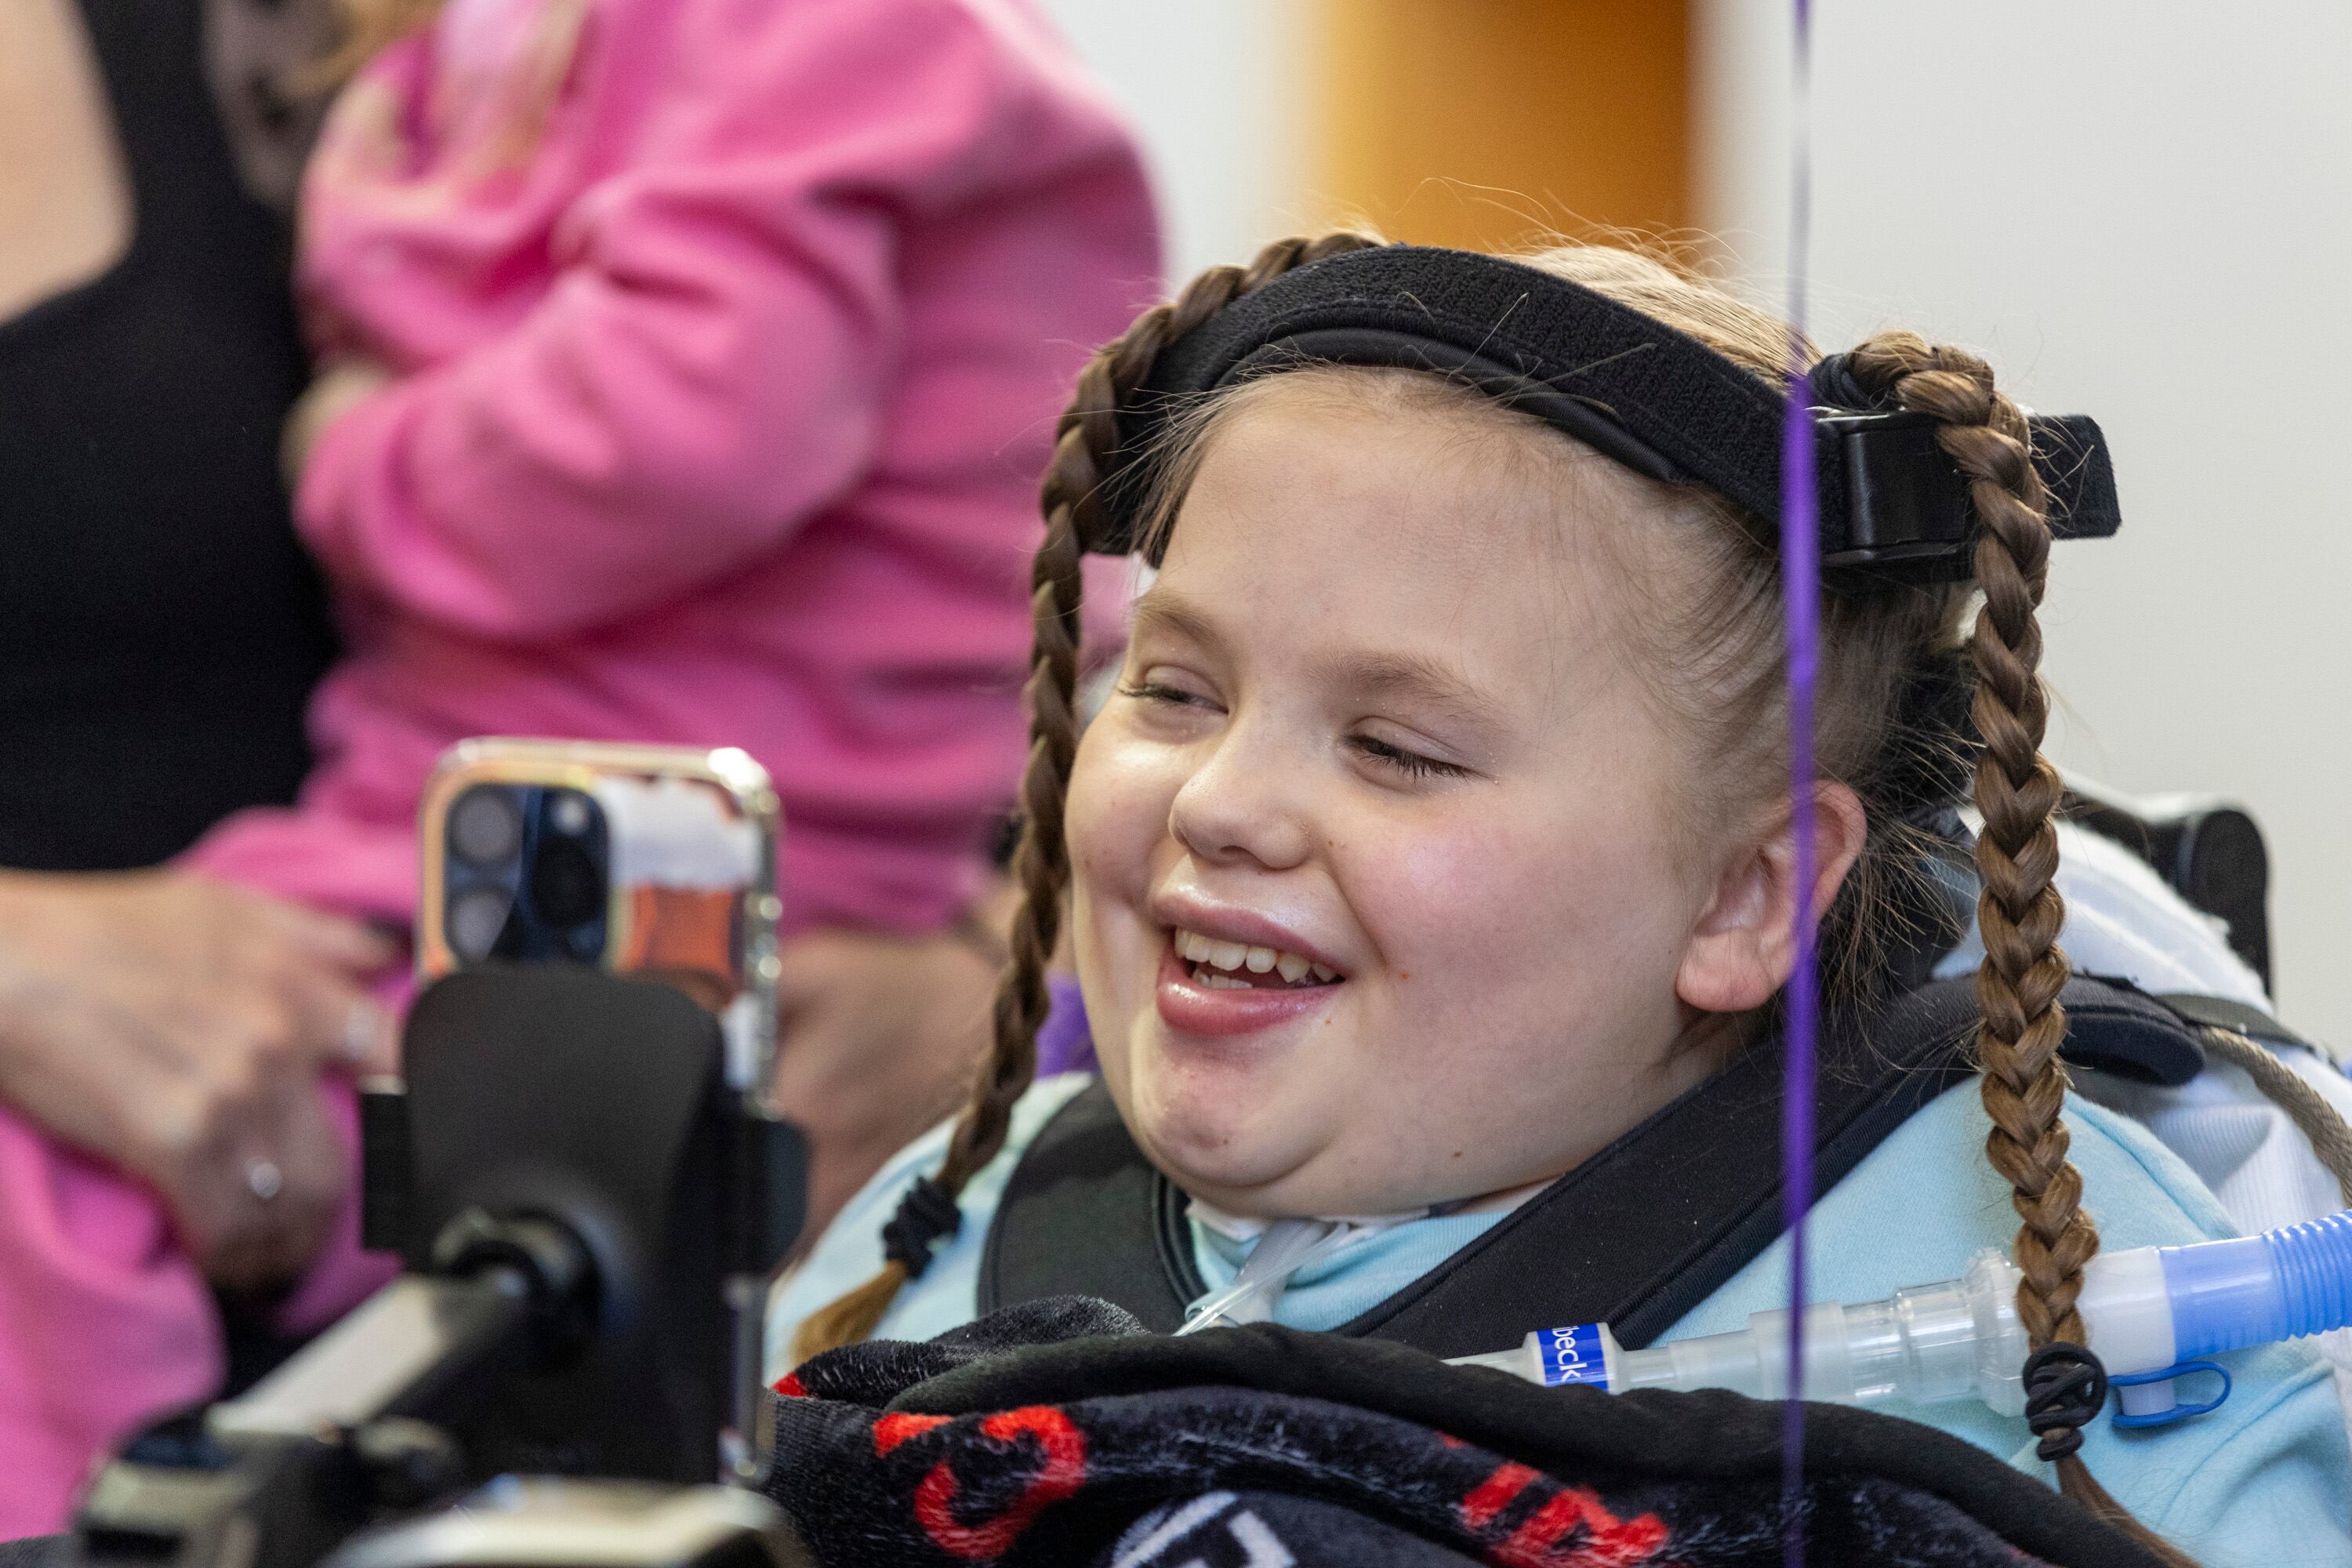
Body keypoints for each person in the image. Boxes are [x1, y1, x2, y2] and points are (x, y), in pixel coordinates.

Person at [769, 237, 2350, 1568]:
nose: (1221, 801)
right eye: (1173, 687)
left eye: (1394, 747)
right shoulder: (946, 1244)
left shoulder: (2097, 1355)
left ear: (1744, 894)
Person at [0, 0, 1155, 1532]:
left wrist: (350, 458)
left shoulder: (747, 40)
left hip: (608, 868)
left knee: (40, 1185)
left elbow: (692, 427)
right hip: (615, 867)